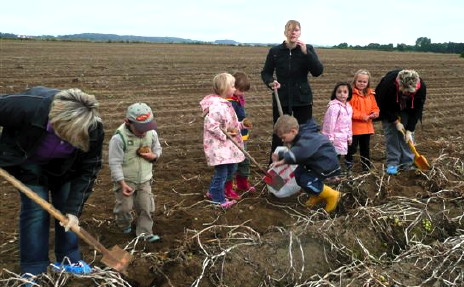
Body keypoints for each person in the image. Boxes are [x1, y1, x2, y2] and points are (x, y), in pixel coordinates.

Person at [0, 86, 104, 280]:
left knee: (66, 210)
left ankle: (69, 259)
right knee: (36, 210)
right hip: (28, 163)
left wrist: (74, 211)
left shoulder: (93, 128)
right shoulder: (30, 107)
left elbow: (89, 168)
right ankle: (34, 270)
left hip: (65, 169)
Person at [261, 19, 324, 162]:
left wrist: (307, 53)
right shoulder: (275, 51)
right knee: (280, 132)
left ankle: (303, 165)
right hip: (281, 99)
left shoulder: (308, 49)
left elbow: (317, 71)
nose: (292, 33)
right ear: (285, 32)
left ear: (300, 32)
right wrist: (271, 82)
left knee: (304, 132)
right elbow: (266, 73)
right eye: (289, 30)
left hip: (303, 99)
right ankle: (275, 167)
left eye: (296, 30)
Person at [108, 103, 162, 243]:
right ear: (128, 122)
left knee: (146, 207)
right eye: (140, 129)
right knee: (124, 207)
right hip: (126, 180)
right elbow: (114, 162)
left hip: (144, 179)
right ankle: (123, 224)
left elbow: (157, 149)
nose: (144, 132)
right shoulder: (119, 138)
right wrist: (121, 182)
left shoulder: (151, 133)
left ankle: (145, 233)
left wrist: (154, 156)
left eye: (147, 128)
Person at [200, 72, 250, 208]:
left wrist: (240, 125)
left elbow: (230, 124)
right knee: (222, 172)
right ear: (224, 88)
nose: (235, 89)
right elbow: (211, 126)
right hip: (219, 147)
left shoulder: (225, 104)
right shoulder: (217, 106)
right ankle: (218, 199)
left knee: (230, 168)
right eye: (232, 86)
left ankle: (212, 191)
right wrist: (226, 134)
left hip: (226, 146)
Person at [271, 115, 341, 212]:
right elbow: (297, 151)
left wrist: (283, 160)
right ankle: (317, 194)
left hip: (324, 165)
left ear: (293, 131)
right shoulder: (300, 136)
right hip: (313, 162)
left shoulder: (307, 138)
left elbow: (301, 151)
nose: (282, 140)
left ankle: (332, 195)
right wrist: (281, 156)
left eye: (283, 137)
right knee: (298, 174)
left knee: (306, 181)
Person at [375, 69, 426, 175]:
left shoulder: (421, 88)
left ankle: (407, 162)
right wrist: (395, 121)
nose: (407, 93)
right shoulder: (388, 84)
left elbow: (417, 110)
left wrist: (410, 130)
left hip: (408, 108)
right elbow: (382, 105)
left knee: (407, 136)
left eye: (410, 92)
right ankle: (393, 163)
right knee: (392, 134)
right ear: (399, 84)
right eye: (405, 91)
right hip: (389, 106)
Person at [224, 71, 255, 200]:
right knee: (233, 163)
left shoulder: (238, 99)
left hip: (243, 136)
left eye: (243, 91)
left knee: (245, 160)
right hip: (234, 138)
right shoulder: (228, 102)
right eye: (240, 90)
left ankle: (242, 183)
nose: (242, 93)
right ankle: (228, 188)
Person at [346, 70, 380, 172]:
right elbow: (349, 110)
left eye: (364, 82)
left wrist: (375, 113)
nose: (362, 83)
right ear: (355, 81)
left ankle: (366, 168)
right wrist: (363, 116)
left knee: (365, 149)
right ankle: (348, 167)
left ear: (367, 83)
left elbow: (375, 107)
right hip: (354, 128)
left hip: (367, 127)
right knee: (352, 148)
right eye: (359, 81)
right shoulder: (350, 95)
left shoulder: (371, 94)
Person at [321, 82, 353, 174]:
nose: (342, 94)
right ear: (335, 93)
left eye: (345, 92)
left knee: (337, 155)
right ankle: (330, 173)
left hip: (342, 136)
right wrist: (330, 137)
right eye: (339, 92)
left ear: (349, 94)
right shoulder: (334, 107)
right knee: (332, 156)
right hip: (334, 137)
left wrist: (349, 136)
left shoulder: (348, 107)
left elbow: (349, 122)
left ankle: (334, 172)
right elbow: (330, 123)